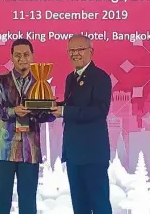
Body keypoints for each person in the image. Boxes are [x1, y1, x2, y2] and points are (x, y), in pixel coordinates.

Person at [0, 38, 56, 214]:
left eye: (26, 54)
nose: (22, 58)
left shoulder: (40, 84)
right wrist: (13, 111)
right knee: (0, 203)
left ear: (32, 56)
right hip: (3, 150)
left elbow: (47, 117)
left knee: (28, 203)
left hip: (30, 151)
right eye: (17, 55)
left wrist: (50, 110)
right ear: (12, 57)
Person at [51, 34, 112, 214]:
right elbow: (72, 106)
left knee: (99, 204)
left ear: (91, 52)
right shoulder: (71, 78)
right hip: (74, 153)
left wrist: (64, 111)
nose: (75, 54)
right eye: (71, 50)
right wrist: (50, 106)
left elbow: (100, 110)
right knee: (79, 206)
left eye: (80, 49)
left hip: (93, 154)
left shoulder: (100, 77)